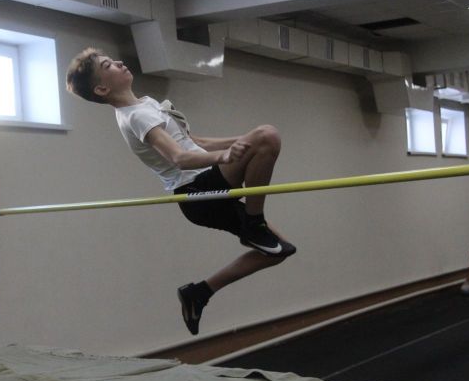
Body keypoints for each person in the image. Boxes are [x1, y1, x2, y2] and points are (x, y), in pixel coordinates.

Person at [65, 48, 296, 335]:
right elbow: (180, 158)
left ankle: (199, 292)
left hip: (206, 188)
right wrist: (228, 155)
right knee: (268, 135)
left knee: (280, 250)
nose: (120, 62)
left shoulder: (146, 104)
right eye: (108, 65)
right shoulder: (135, 116)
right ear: (102, 88)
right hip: (198, 191)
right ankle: (254, 222)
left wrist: (243, 142)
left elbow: (193, 143)